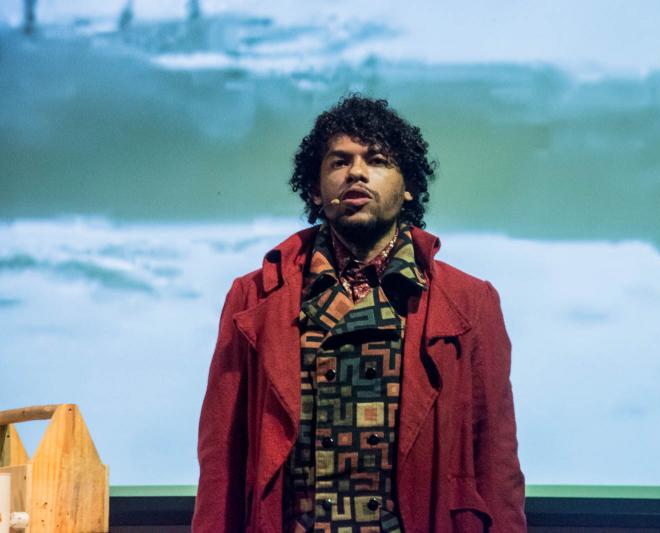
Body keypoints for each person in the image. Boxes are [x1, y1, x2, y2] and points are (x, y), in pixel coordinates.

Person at [193, 95, 525, 532]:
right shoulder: (254, 297)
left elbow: (497, 462)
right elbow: (221, 457)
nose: (356, 173)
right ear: (315, 189)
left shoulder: (469, 301)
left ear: (408, 186)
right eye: (339, 161)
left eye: (377, 160)